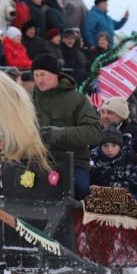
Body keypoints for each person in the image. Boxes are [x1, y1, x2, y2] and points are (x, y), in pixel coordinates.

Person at [31, 53, 103, 199]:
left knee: (80, 188)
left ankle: (78, 221)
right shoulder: (28, 101)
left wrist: (62, 133)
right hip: (38, 161)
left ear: (56, 74)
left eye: (43, 74)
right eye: (36, 75)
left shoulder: (77, 99)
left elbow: (95, 132)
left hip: (73, 162)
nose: (39, 80)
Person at [90, 125, 137, 192]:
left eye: (114, 146)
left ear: (120, 146)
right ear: (100, 147)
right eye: (105, 146)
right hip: (98, 195)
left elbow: (133, 183)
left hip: (124, 196)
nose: (110, 149)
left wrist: (110, 187)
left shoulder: (128, 156)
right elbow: (90, 182)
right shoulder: (94, 156)